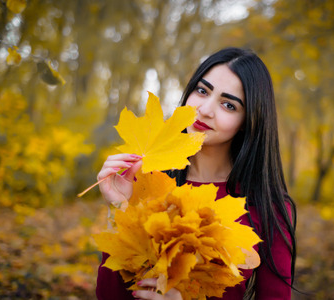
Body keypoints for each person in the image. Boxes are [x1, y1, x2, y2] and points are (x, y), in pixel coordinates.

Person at [96, 47, 297, 300]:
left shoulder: (267, 208)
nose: (205, 109)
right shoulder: (147, 181)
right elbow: (109, 295)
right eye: (202, 91)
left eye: (228, 105)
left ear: (247, 120)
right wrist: (119, 208)